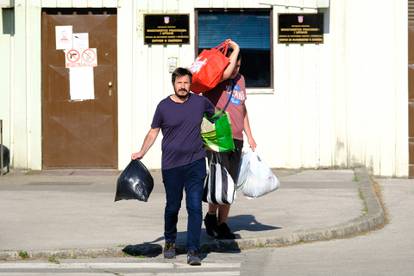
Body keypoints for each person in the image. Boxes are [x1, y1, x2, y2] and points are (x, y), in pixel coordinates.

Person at [131, 67, 215, 265]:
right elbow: (153, 132)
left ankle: (193, 250)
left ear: (190, 84)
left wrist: (217, 143)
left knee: (194, 207)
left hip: (196, 163)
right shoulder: (163, 106)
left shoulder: (200, 102)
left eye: (186, 83)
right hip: (171, 166)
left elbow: (217, 119)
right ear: (174, 84)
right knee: (172, 207)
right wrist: (142, 152)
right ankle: (170, 241)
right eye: (179, 83)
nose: (183, 86)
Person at [203, 39, 257, 239]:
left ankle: (222, 223)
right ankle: (210, 216)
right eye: (234, 65)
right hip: (217, 134)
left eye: (239, 66)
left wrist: (249, 135)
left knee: (231, 183)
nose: (236, 69)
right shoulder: (216, 78)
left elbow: (242, 109)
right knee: (219, 181)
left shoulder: (241, 80)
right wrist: (236, 49)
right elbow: (226, 70)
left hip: (236, 137)